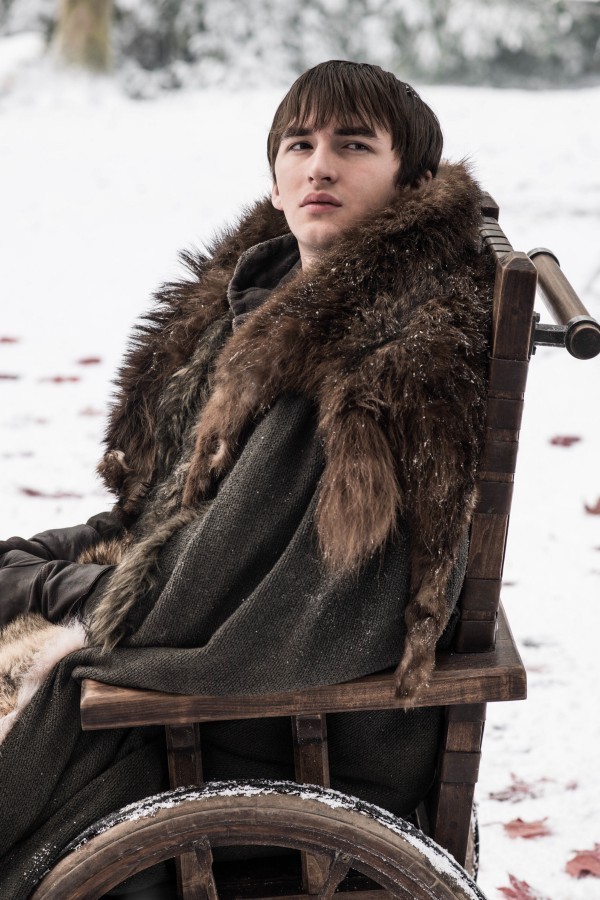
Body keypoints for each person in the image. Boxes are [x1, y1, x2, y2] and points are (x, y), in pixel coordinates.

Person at [0, 61, 492, 896]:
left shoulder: (365, 357)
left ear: (411, 182)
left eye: (354, 145)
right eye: (299, 145)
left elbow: (201, 598)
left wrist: (42, 584)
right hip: (251, 711)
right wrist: (34, 562)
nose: (319, 166)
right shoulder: (282, 302)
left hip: (270, 738)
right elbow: (176, 520)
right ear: (273, 180)